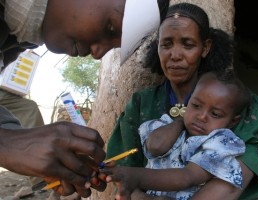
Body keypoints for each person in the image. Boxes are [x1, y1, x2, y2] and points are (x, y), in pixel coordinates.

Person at [0, 0, 170, 198]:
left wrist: (17, 142)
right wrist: (7, 143)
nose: (97, 54)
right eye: (110, 27)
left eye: (111, 47)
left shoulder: (14, 40)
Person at [106, 3, 258, 200]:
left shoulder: (242, 105)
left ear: (205, 47)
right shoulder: (141, 105)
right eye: (166, 44)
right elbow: (123, 175)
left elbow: (231, 183)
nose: (175, 56)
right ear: (157, 47)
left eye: (188, 44)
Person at [104, 70, 250, 200]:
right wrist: (180, 122)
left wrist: (135, 177)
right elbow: (155, 147)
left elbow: (188, 176)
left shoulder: (221, 143)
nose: (202, 116)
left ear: (232, 121)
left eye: (215, 114)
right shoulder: (170, 125)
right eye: (196, 106)